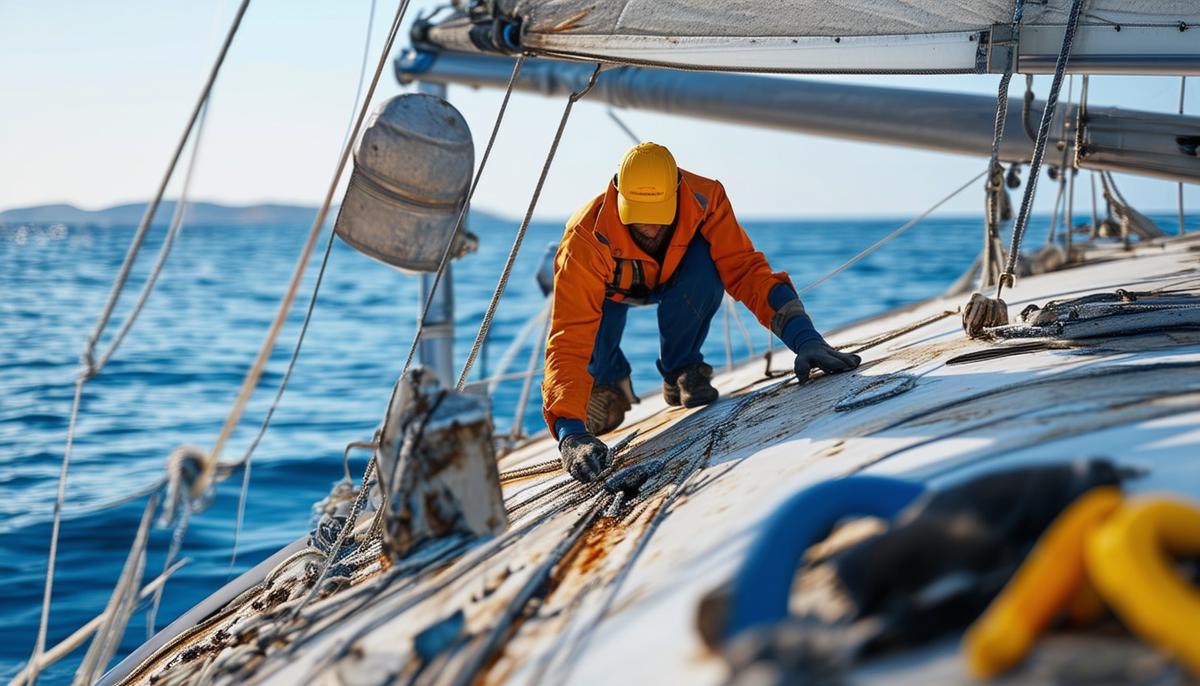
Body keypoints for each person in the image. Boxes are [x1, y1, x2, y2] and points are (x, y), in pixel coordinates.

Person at [542, 143, 860, 483]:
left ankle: (682, 370)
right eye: (639, 216)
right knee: (594, 346)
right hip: (610, 290)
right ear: (617, 195)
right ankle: (607, 383)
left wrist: (805, 339)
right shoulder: (585, 237)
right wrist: (569, 431)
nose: (650, 229)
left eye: (659, 217)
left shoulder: (706, 198)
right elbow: (569, 335)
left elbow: (746, 271)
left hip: (681, 278)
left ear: (678, 192)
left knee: (711, 262)